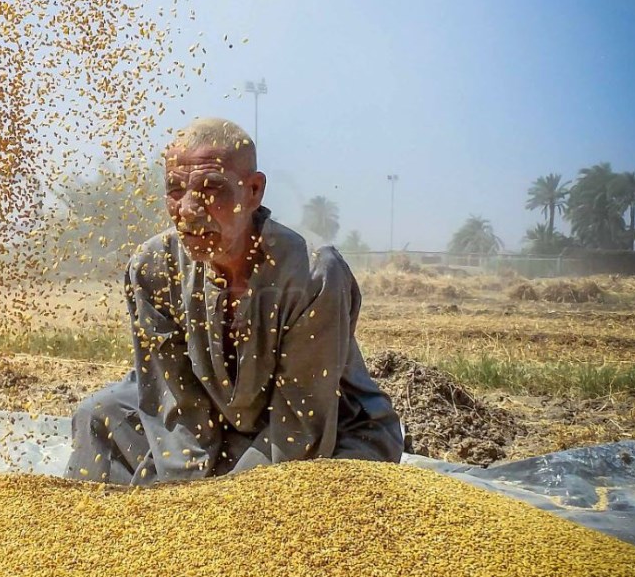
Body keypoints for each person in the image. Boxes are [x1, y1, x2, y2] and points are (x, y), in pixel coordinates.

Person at [66, 117, 403, 485]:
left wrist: (222, 505)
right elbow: (175, 399)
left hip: (323, 425)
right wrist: (183, 492)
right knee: (99, 416)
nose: (190, 210)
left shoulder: (311, 274)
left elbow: (301, 424)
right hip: (209, 423)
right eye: (176, 189)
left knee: (322, 488)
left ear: (254, 191)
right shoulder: (153, 269)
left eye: (213, 188)